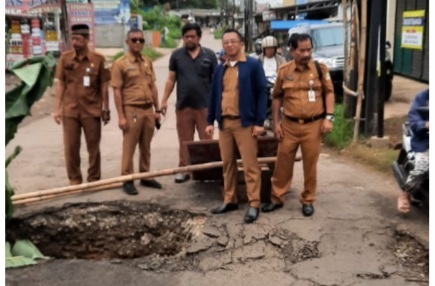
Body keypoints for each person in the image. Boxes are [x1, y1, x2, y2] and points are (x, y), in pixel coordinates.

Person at [261, 33, 335, 217]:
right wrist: (276, 123)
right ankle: (277, 197)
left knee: (310, 165)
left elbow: (329, 93)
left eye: (309, 49)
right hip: (289, 126)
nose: (306, 53)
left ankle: (308, 200)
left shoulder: (320, 68)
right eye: (302, 50)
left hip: (313, 125)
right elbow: (277, 97)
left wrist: (329, 117)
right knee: (282, 163)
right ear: (292, 50)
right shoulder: (284, 71)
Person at [206, 29, 267, 223]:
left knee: (250, 165)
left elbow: (262, 93)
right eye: (226, 42)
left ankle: (254, 203)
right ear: (223, 46)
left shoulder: (252, 65)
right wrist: (210, 121)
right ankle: (230, 199)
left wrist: (259, 122)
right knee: (228, 164)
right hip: (225, 124)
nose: (229, 45)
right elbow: (214, 96)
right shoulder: (220, 69)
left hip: (245, 124)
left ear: (241, 43)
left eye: (233, 41)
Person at [53, 23, 110, 185]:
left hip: (91, 110)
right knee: (71, 147)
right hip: (70, 111)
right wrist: (57, 110)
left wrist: (106, 108)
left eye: (77, 39)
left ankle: (93, 178)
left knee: (93, 148)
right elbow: (61, 85)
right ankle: (74, 179)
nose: (74, 42)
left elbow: (104, 86)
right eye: (72, 39)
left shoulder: (98, 60)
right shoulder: (65, 59)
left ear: (87, 39)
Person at [161, 23, 218, 183]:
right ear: (183, 38)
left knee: (206, 140)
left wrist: (217, 104)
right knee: (185, 141)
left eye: (192, 36)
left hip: (204, 107)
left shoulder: (210, 55)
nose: (189, 39)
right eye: (186, 37)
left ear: (199, 38)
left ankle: (207, 170)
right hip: (183, 106)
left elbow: (215, 82)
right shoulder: (177, 55)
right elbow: (171, 79)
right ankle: (184, 169)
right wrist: (164, 100)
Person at [111, 28, 162, 195]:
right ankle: (127, 178)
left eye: (141, 40)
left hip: (148, 110)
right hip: (131, 110)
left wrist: (157, 109)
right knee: (129, 146)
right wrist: (120, 116)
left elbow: (152, 86)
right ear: (127, 42)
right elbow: (117, 91)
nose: (138, 43)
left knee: (146, 145)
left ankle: (145, 175)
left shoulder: (147, 61)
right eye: (134, 40)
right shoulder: (120, 64)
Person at [397, 89, 429, 213]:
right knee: (423, 167)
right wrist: (426, 125)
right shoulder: (423, 97)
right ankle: (405, 195)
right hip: (426, 140)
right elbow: (415, 121)